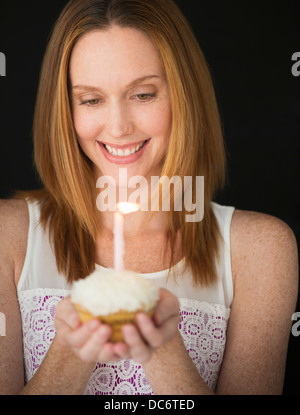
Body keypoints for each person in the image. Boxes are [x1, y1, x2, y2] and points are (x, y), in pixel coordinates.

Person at [0, 0, 298, 395]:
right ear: (64, 110)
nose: (119, 127)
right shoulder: (8, 236)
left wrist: (163, 351)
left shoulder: (261, 249)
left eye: (143, 94)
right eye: (91, 100)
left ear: (184, 97)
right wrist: (73, 353)